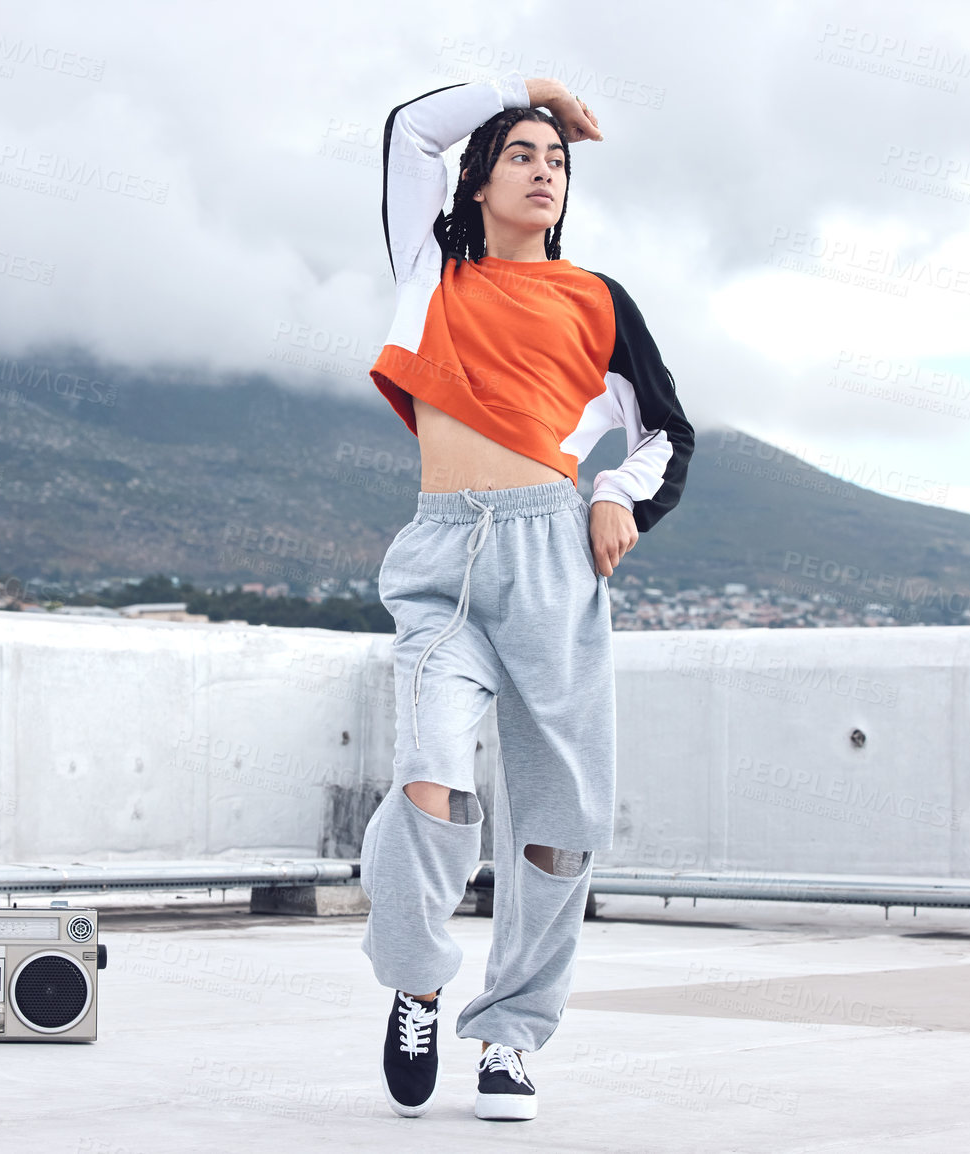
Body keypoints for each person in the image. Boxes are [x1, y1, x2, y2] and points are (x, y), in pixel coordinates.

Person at [358, 70, 694, 1122]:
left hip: (555, 560)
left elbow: (668, 434)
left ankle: (509, 1036)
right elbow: (408, 128)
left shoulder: (598, 300)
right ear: (478, 179)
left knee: (558, 819)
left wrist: (616, 496)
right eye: (520, 154)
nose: (543, 171)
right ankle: (418, 975)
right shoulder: (432, 265)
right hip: (445, 564)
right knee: (429, 773)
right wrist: (530, 91)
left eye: (555, 159)